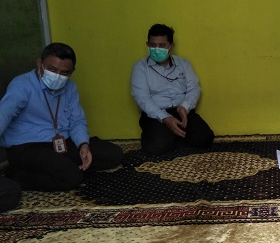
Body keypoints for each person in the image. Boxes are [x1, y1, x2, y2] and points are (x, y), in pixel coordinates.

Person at [0, 42, 123, 192]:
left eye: (64, 73)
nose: (57, 76)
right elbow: (3, 115)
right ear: (39, 63)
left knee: (113, 155)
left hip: (60, 142)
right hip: (28, 146)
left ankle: (61, 164)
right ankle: (15, 174)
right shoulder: (22, 84)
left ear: (72, 72)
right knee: (71, 177)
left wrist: (83, 145)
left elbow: (77, 121)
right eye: (51, 69)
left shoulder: (70, 87)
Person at [131, 24, 214, 155]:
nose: (156, 49)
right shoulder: (140, 67)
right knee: (157, 147)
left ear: (171, 46)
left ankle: (172, 136)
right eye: (153, 45)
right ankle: (164, 136)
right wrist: (165, 118)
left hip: (182, 111)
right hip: (156, 115)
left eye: (162, 45)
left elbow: (194, 88)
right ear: (147, 44)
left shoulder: (184, 64)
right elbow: (142, 99)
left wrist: (185, 107)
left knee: (205, 137)